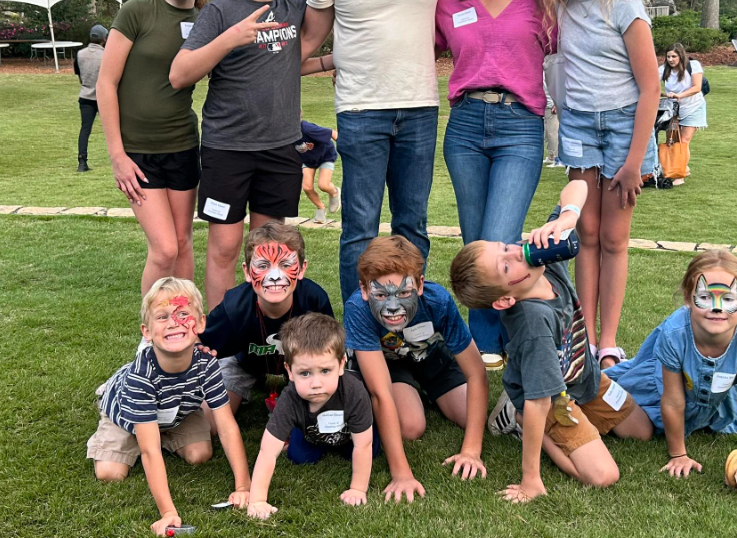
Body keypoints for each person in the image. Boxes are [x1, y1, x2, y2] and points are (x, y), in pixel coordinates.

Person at [300, 0, 450, 303]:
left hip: (420, 107)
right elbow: (310, 37)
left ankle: (409, 322)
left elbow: (465, 10)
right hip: (361, 111)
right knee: (359, 229)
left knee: (412, 227)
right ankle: (361, 330)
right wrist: (257, 68)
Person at [449, 180, 654, 503]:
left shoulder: (544, 260)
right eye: (506, 265)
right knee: (603, 475)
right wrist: (531, 478)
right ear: (504, 301)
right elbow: (539, 402)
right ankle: (519, 420)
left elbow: (579, 185)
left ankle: (567, 420)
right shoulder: (533, 322)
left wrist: (568, 217)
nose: (516, 252)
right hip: (553, 399)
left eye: (505, 247)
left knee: (643, 431)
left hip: (584, 377)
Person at [169, 0, 312, 309]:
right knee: (225, 248)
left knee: (271, 253)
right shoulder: (219, 10)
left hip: (281, 149)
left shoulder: (294, 9)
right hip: (227, 149)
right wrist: (230, 38)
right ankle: (221, 339)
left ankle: (267, 335)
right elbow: (180, 74)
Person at [435, 0, 555, 370]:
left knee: (500, 237)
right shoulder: (449, 1)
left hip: (520, 125)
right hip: (464, 125)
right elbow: (417, 46)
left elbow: (571, 50)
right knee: (475, 241)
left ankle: (486, 343)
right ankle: (486, 343)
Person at [543, 0, 660, 369]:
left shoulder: (624, 4)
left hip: (624, 126)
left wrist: (634, 164)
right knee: (584, 234)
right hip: (577, 124)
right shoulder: (562, 7)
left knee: (613, 238)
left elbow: (651, 88)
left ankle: (608, 342)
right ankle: (584, 341)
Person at [86, 278, 251, 536]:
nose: (174, 322)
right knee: (110, 473)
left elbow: (227, 426)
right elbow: (150, 451)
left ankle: (159, 430)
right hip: (125, 416)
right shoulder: (142, 377)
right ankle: (109, 392)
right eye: (162, 316)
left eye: (183, 313)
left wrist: (244, 487)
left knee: (200, 454)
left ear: (201, 323)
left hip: (177, 413)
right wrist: (168, 512)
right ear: (147, 332)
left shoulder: (207, 364)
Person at [97, 0, 209, 295]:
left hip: (182, 147)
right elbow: (105, 83)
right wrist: (117, 156)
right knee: (164, 250)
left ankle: (185, 328)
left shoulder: (208, 21)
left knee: (183, 242)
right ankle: (151, 335)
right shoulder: (137, 11)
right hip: (138, 154)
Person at [605, 250, 737, 493]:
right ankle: (595, 383)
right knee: (638, 430)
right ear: (688, 298)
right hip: (662, 387)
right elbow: (672, 401)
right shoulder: (674, 334)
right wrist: (678, 453)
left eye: (727, 299)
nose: (716, 308)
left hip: (713, 395)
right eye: (704, 296)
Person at [344, 235, 488, 502]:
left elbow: (476, 373)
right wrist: (401, 473)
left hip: (432, 356)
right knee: (410, 427)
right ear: (364, 291)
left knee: (475, 417)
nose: (393, 306)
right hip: (389, 365)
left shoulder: (438, 301)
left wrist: (471, 450)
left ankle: (428, 392)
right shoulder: (358, 309)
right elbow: (380, 393)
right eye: (379, 295)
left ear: (420, 285)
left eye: (404, 292)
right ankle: (414, 394)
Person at [198, 221, 333, 427]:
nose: (275, 276)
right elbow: (200, 341)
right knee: (210, 424)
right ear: (247, 272)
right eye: (263, 266)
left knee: (321, 416)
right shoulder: (235, 306)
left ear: (301, 269)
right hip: (244, 366)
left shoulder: (314, 301)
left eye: (286, 265)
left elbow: (328, 355)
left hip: (300, 369)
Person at [247, 313, 376, 516]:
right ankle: (296, 439)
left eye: (325, 370)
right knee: (298, 456)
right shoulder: (289, 398)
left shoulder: (354, 391)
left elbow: (363, 445)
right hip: (312, 434)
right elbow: (267, 451)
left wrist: (357, 489)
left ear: (342, 364)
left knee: (372, 450)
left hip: (353, 437)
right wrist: (257, 500)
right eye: (305, 373)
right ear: (289, 371)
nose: (316, 384)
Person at [659, 42, 707, 184]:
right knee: (672, 140)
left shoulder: (693, 65)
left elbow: (697, 87)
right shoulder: (662, 69)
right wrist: (663, 94)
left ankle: (679, 175)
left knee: (684, 141)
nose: (671, 59)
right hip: (673, 109)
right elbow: (653, 86)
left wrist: (680, 95)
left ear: (681, 55)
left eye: (674, 56)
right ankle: (680, 168)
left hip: (693, 107)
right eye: (668, 56)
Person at [74, 24, 108, 172]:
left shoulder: (80, 54)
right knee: (116, 128)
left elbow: (79, 73)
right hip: (104, 97)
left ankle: (82, 162)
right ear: (104, 38)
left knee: (85, 129)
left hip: (85, 95)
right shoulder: (106, 55)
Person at [297, 117, 341, 223]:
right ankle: (320, 208)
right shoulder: (285, 133)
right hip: (308, 159)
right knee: (307, 187)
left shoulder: (308, 128)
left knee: (323, 185)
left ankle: (334, 192)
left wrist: (347, 147)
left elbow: (332, 133)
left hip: (325, 156)